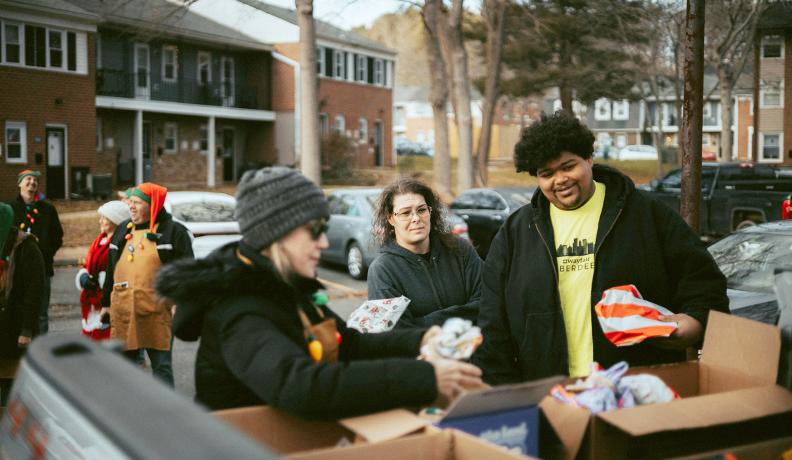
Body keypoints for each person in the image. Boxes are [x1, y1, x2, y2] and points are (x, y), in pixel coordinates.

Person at [155, 167, 482, 416]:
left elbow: (347, 342)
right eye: (314, 232)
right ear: (277, 235)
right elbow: (301, 386)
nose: (324, 244)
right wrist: (424, 378)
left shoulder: (287, 285)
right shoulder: (240, 306)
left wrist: (422, 339)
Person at [472, 111, 729, 385]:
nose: (560, 180)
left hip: (635, 387)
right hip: (549, 391)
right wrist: (505, 391)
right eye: (547, 174)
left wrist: (694, 324)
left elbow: (704, 284)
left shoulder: (646, 214)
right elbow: (493, 322)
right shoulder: (515, 233)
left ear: (589, 159)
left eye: (568, 166)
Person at [101, 183, 193, 387]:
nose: (131, 207)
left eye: (137, 203)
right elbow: (110, 269)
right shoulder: (123, 229)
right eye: (130, 202)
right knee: (126, 366)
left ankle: (165, 412)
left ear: (153, 205)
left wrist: (181, 300)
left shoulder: (174, 231)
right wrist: (105, 302)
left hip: (158, 311)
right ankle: (132, 410)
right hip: (124, 308)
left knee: (161, 366)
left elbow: (186, 271)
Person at [367, 178, 482, 328]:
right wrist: (462, 316)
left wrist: (421, 323)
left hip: (474, 348)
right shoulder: (382, 270)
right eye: (405, 213)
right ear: (391, 219)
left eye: (421, 210)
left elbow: (488, 301)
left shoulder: (460, 249)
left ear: (430, 211)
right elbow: (397, 331)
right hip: (418, 352)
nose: (416, 218)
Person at [0, 203, 44, 405]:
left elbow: (34, 292)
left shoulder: (27, 248)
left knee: (12, 386)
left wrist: (26, 330)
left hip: (15, 328)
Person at [10, 170, 63, 334]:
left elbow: (57, 236)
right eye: (28, 179)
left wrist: (45, 255)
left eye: (35, 180)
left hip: (42, 268)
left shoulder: (47, 209)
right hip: (16, 268)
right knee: (16, 309)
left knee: (41, 313)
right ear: (19, 183)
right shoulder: (11, 208)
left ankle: (41, 350)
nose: (32, 182)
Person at [75, 201, 130, 341]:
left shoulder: (121, 243)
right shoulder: (99, 240)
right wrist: (84, 277)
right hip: (92, 300)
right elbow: (87, 264)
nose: (100, 221)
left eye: (104, 218)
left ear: (114, 220)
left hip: (107, 300)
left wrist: (103, 280)